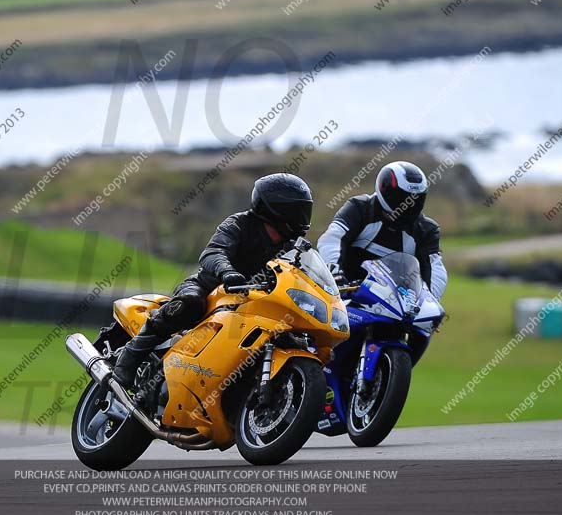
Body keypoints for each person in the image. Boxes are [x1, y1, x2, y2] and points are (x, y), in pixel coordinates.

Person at [112, 173, 314, 388]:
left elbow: (306, 274)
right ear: (275, 209)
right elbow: (213, 252)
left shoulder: (296, 247)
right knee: (188, 304)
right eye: (296, 210)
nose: (301, 216)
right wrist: (227, 272)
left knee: (296, 338)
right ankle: (130, 357)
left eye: (304, 209)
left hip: (256, 304)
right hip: (210, 289)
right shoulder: (240, 223)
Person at [317, 161, 448, 362]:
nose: (408, 205)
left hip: (393, 302)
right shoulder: (359, 208)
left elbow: (435, 268)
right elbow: (332, 238)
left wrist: (431, 301)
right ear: (384, 190)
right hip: (343, 292)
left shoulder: (426, 229)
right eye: (401, 198)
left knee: (422, 332)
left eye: (415, 199)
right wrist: (334, 271)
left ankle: (389, 376)